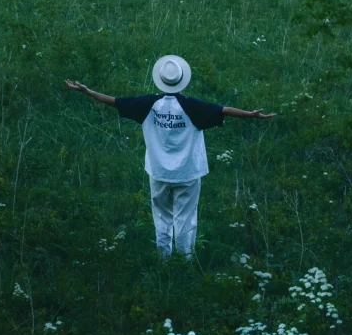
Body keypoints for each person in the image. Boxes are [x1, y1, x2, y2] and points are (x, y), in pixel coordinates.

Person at [65, 54, 275, 257]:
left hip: (158, 173)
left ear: (161, 80)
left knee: (161, 217)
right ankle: (185, 260)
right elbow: (224, 110)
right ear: (182, 80)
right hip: (188, 173)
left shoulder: (147, 104)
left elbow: (115, 102)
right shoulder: (193, 106)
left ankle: (164, 257)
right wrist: (251, 115)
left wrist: (88, 92)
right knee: (185, 218)